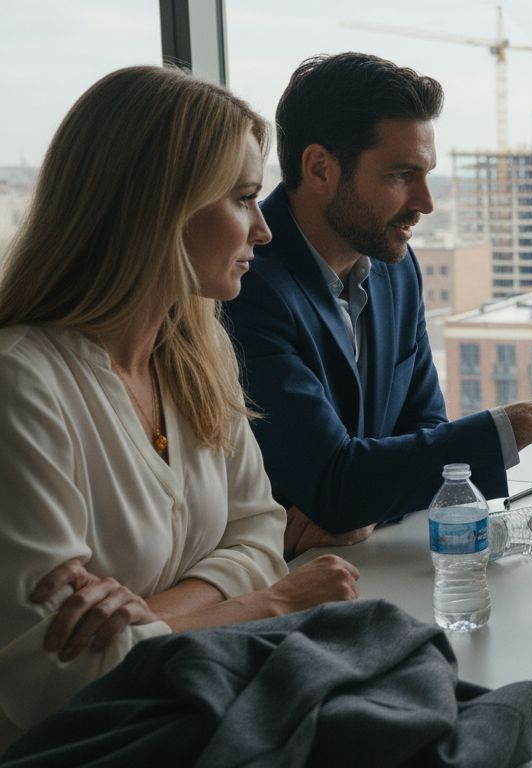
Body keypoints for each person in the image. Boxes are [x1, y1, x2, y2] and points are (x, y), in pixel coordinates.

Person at [0, 66, 360, 749]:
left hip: (200, 717)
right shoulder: (21, 386)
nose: (263, 231)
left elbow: (260, 530)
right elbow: (60, 676)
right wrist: (266, 603)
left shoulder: (197, 357)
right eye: (244, 199)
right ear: (156, 205)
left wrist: (147, 617)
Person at [222, 53, 532, 556]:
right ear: (320, 168)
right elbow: (335, 482)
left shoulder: (394, 269)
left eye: (426, 173)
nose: (426, 202)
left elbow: (426, 440)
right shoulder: (246, 284)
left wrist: (363, 505)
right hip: (291, 580)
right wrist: (521, 423)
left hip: (366, 561)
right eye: (401, 175)